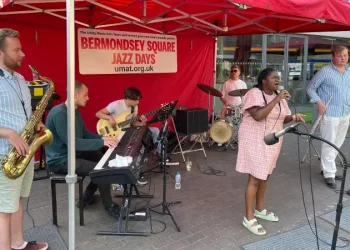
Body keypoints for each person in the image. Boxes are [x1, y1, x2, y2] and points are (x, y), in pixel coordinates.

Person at [236, 68, 305, 236]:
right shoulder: (254, 93)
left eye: (279, 78)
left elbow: (282, 117)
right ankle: (249, 217)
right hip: (254, 139)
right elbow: (258, 115)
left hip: (272, 140)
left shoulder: (278, 96)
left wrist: (293, 117)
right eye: (273, 77)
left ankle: (259, 209)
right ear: (263, 81)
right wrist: (277, 99)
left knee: (265, 175)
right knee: (254, 177)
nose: (277, 80)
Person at [0, 28, 48, 250]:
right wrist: (9, 133)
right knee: (4, 208)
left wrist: (36, 123)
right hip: (5, 155)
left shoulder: (20, 79)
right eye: (16, 49)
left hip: (25, 151)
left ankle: (18, 243)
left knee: (17, 200)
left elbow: (25, 112)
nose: (23, 54)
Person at [45, 81, 121, 219]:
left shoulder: (74, 111)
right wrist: (101, 141)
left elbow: (84, 133)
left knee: (103, 162)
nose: (88, 98)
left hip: (72, 153)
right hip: (61, 160)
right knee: (102, 171)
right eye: (85, 95)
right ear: (76, 94)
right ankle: (109, 207)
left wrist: (104, 138)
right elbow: (73, 143)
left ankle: (86, 198)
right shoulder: (59, 114)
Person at [306, 45, 350, 189]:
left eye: (345, 55)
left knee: (337, 143)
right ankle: (329, 173)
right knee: (328, 143)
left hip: (345, 112)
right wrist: (318, 102)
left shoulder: (349, 71)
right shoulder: (325, 71)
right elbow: (310, 88)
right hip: (330, 112)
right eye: (339, 56)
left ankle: (326, 168)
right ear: (333, 57)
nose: (343, 58)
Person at [96, 86, 162, 163]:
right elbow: (98, 113)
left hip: (128, 129)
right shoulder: (116, 104)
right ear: (129, 98)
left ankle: (159, 155)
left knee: (155, 130)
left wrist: (142, 123)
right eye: (136, 100)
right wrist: (110, 118)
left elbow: (132, 123)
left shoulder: (134, 107)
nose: (138, 102)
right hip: (115, 132)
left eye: (138, 99)